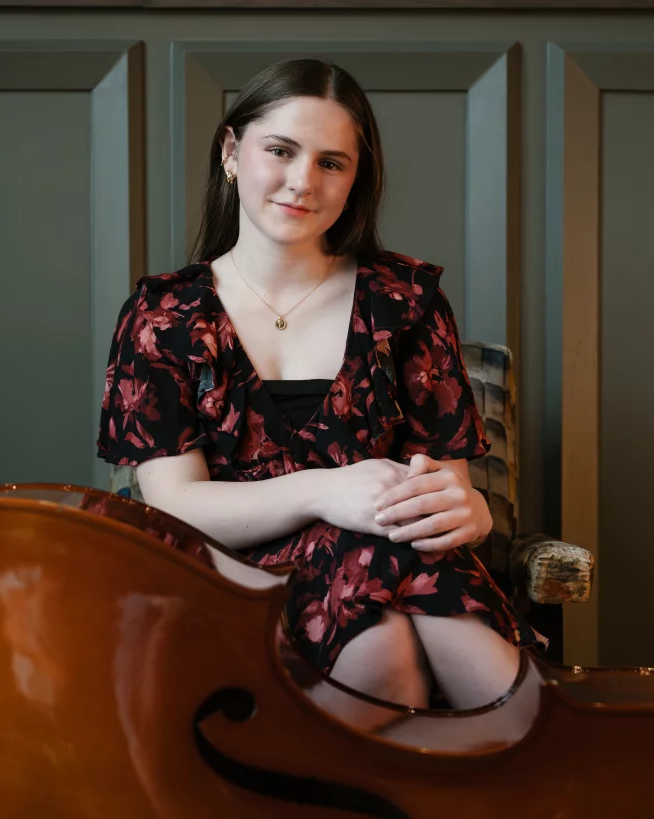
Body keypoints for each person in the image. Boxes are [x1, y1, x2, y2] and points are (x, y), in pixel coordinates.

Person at [97, 58, 545, 725]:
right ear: (231, 152)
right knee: (389, 626)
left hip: (392, 560)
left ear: (354, 178)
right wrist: (328, 490)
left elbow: (447, 497)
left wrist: (470, 512)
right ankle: (541, 748)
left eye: (332, 163)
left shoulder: (406, 300)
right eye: (281, 150)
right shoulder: (164, 315)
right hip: (232, 582)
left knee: (394, 593)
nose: (303, 181)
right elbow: (176, 507)